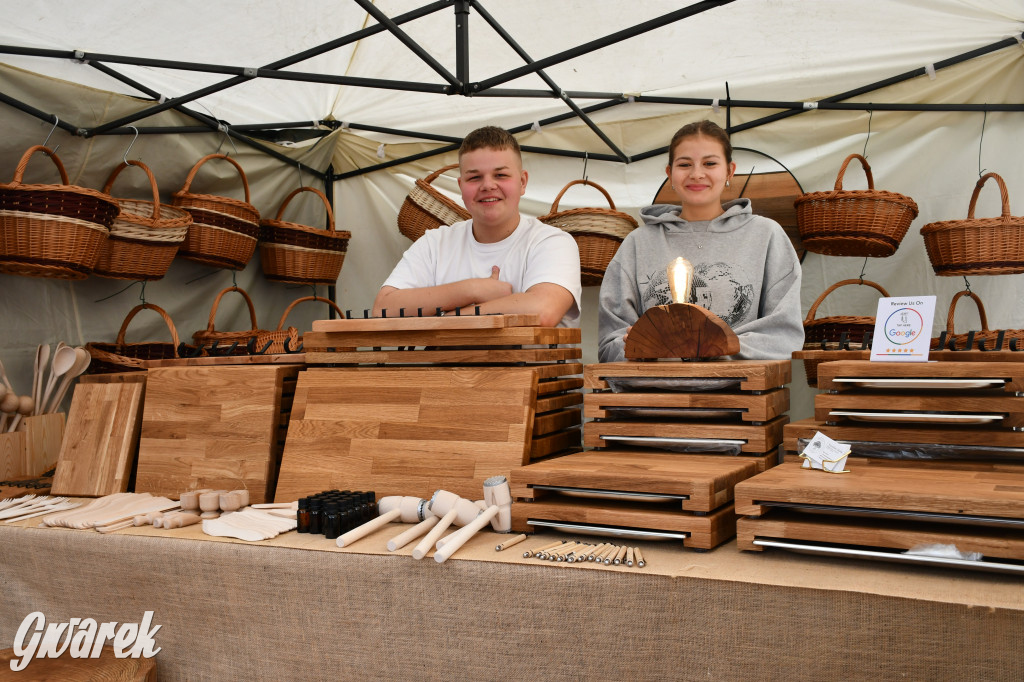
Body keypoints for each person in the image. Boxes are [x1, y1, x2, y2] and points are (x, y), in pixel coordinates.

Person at [598, 120, 803, 361]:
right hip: (652, 393)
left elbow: (783, 335)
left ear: (729, 171)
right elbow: (609, 342)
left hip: (740, 393)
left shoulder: (766, 235)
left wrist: (716, 345)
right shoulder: (638, 243)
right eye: (685, 164)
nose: (697, 174)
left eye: (710, 163)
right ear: (670, 173)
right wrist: (640, 346)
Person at [374, 126, 582, 328]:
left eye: (500, 175)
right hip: (448, 365)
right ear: (461, 186)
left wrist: (451, 316)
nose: (488, 186)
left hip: (532, 365)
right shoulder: (434, 243)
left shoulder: (551, 242)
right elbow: (383, 308)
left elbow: (542, 311)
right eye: (474, 177)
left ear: (522, 182)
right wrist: (472, 289)